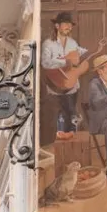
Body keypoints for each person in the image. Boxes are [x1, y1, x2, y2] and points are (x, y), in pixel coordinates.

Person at [40, 11, 89, 139]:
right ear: (57, 26)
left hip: (71, 84)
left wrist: (88, 53)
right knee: (61, 114)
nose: (69, 27)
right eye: (65, 24)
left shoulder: (72, 43)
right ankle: (61, 140)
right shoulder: (48, 44)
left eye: (70, 24)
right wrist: (65, 61)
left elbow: (78, 55)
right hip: (56, 85)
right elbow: (45, 63)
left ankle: (71, 141)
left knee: (72, 112)